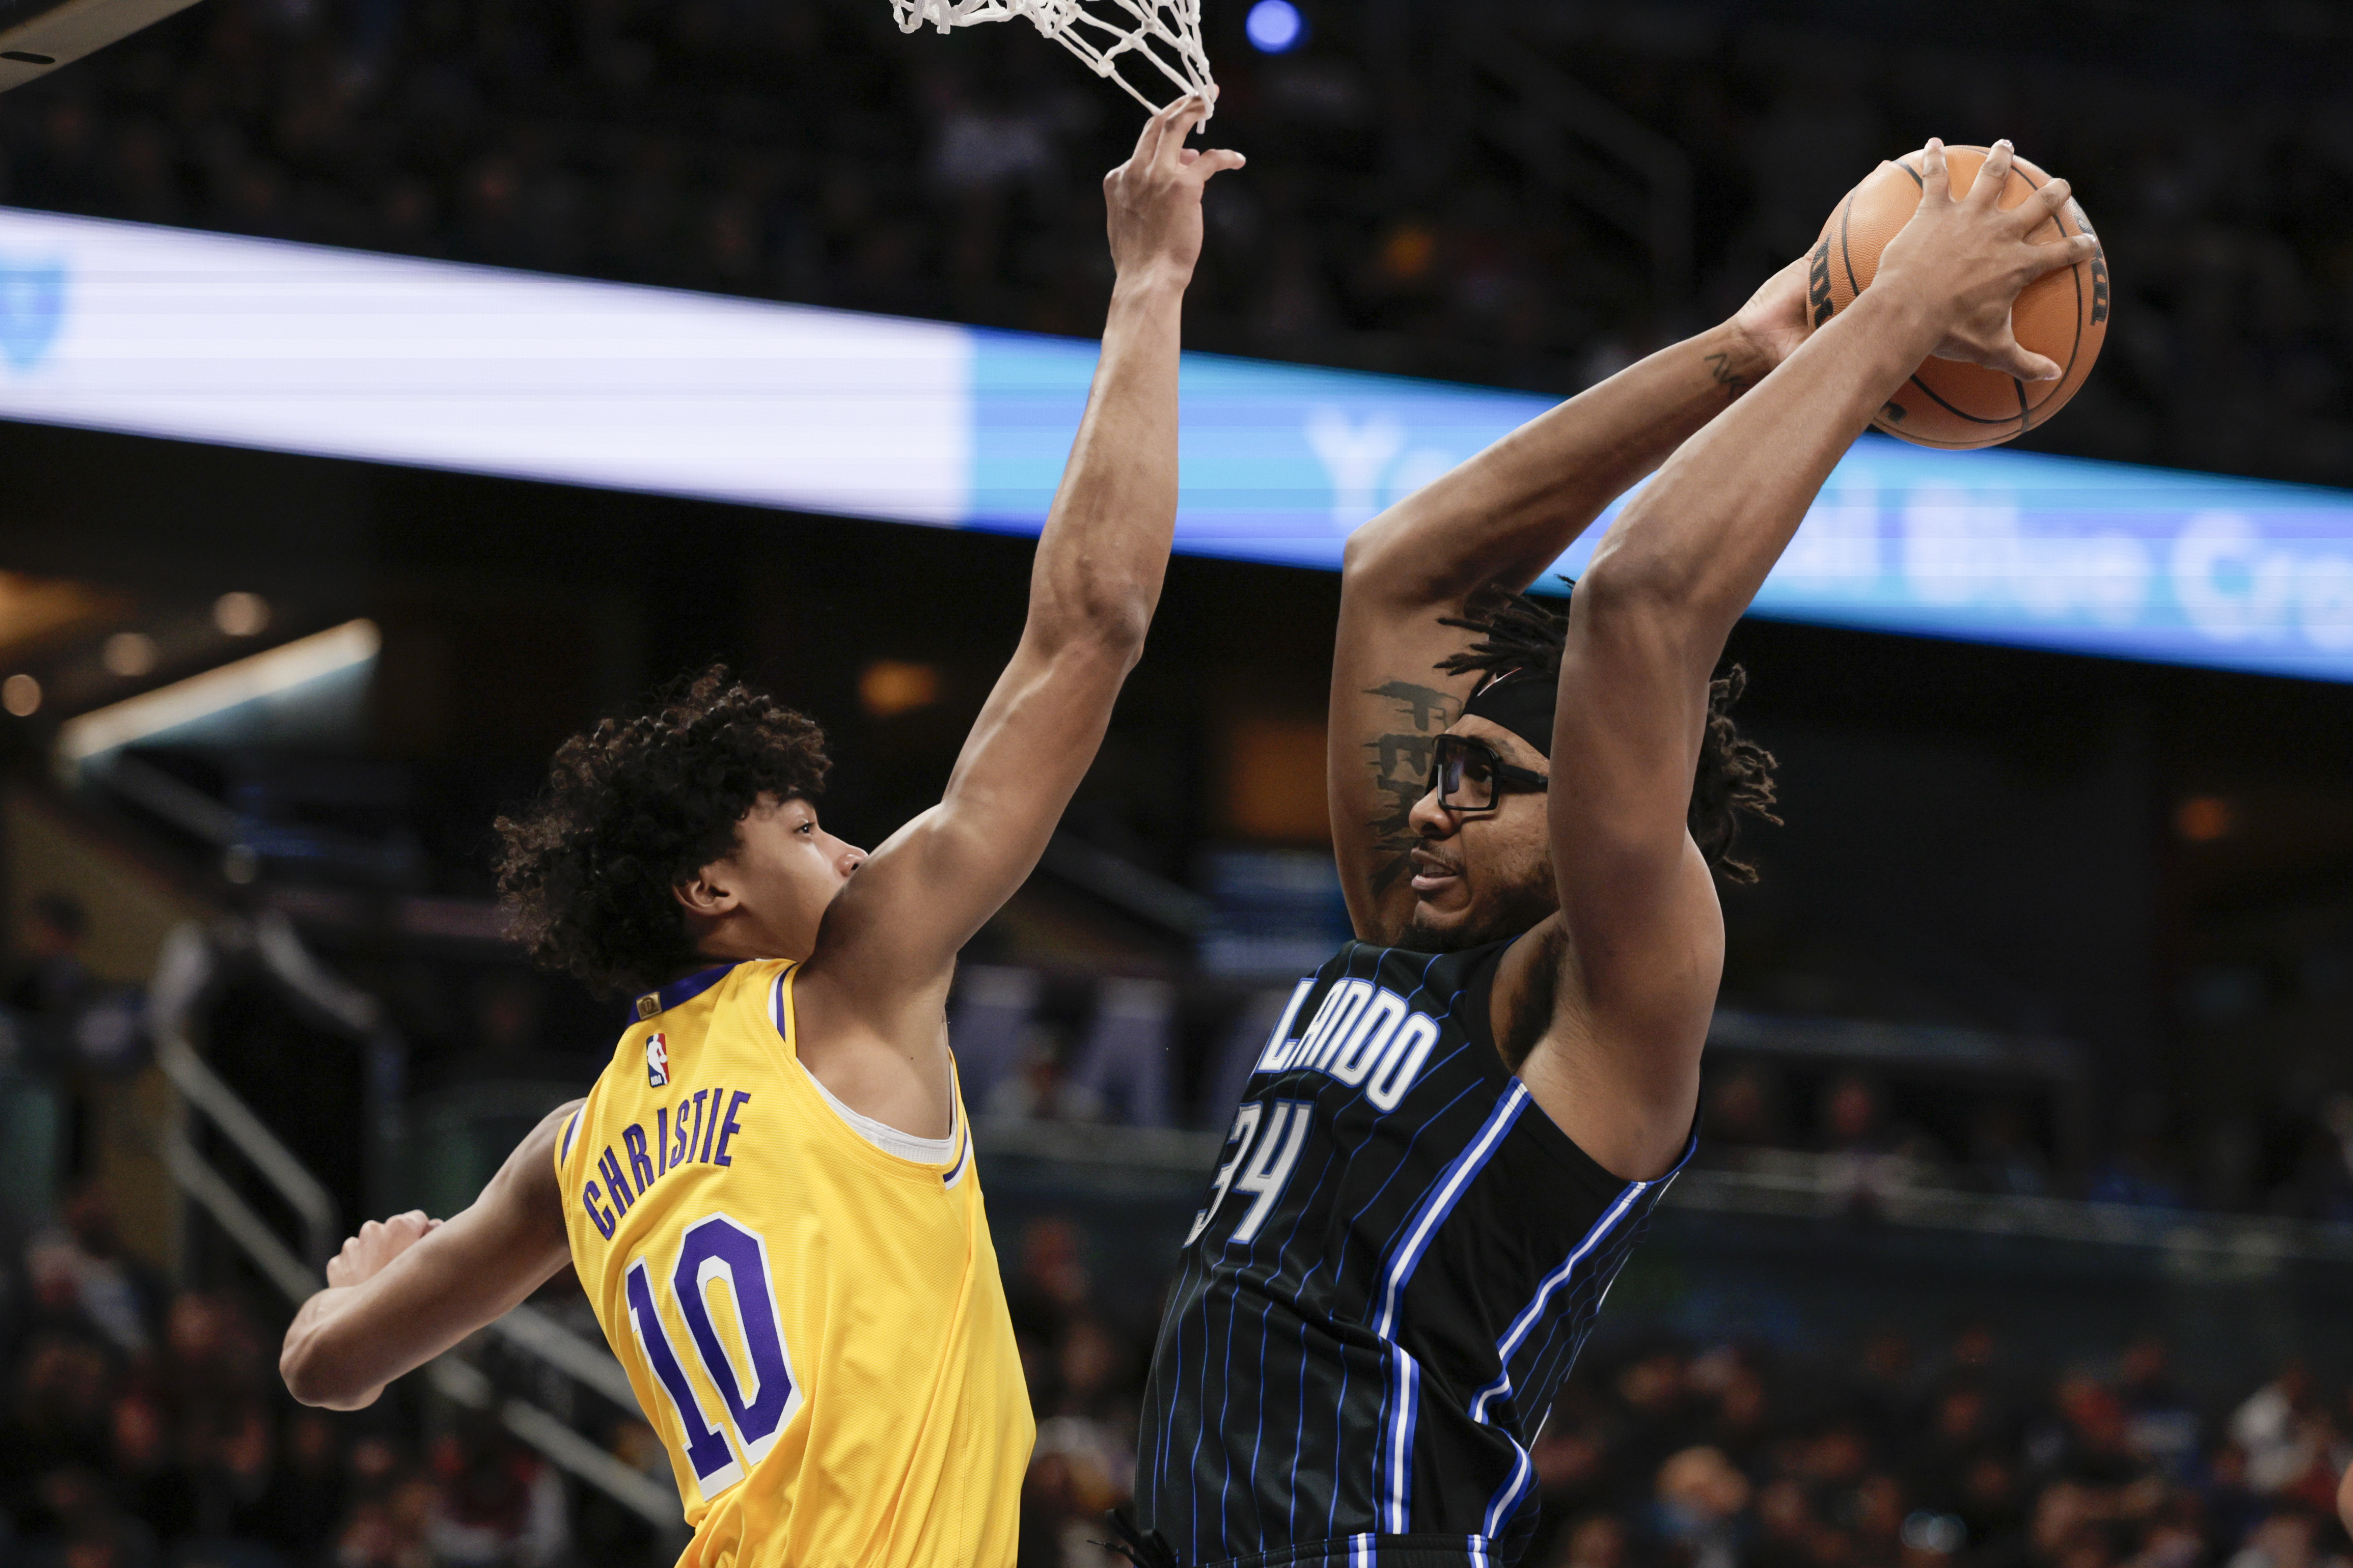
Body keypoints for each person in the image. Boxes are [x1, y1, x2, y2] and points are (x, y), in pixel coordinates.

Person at [276, 95, 1244, 1568]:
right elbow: (1092, 627)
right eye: (807, 825)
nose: (853, 854)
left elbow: (326, 1373)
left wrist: (347, 1289)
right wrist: (1151, 281)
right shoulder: (850, 977)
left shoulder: (572, 1149)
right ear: (711, 884)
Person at [1125, 140, 2099, 1568]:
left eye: (1491, 781)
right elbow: (1403, 570)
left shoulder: (1609, 990)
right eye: (1442, 766)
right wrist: (1746, 349)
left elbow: (1641, 607)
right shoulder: (1411, 927)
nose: (1437, 805)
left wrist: (1899, 314)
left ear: (1594, 822)